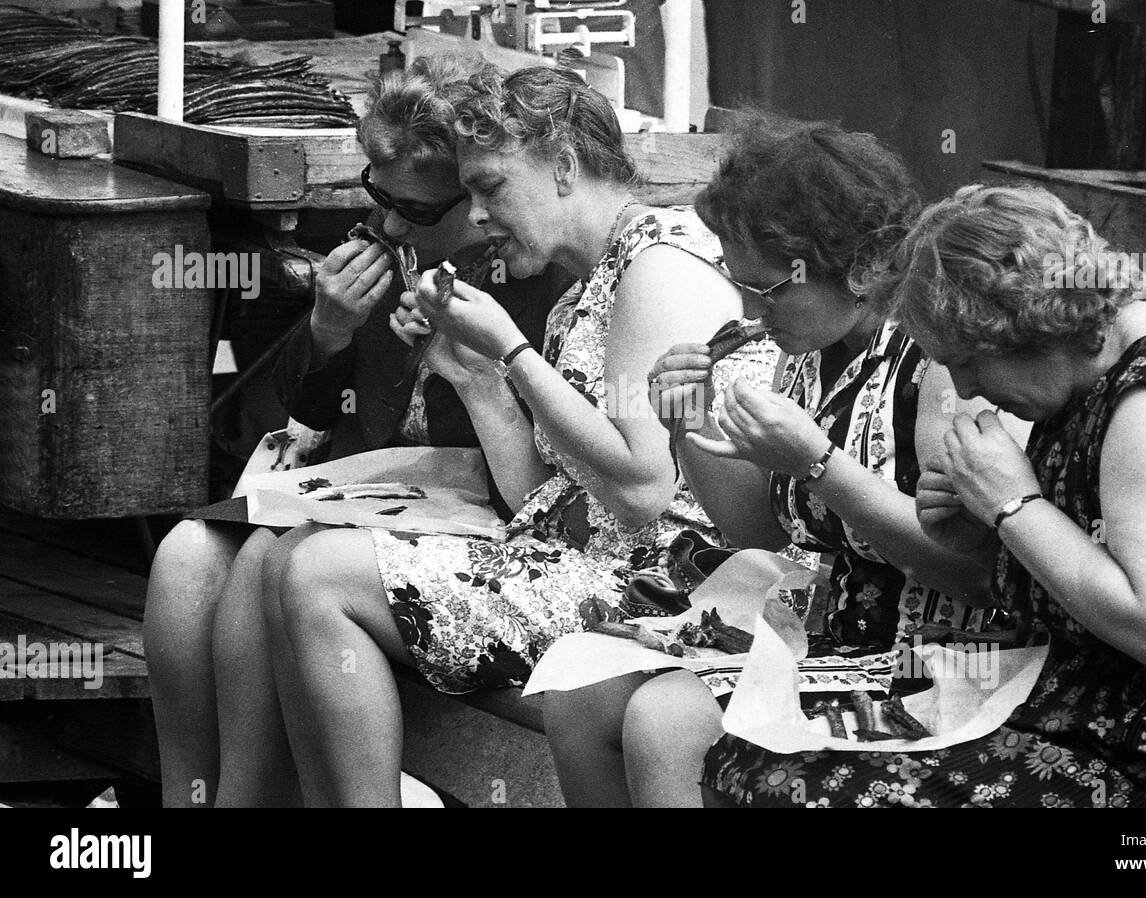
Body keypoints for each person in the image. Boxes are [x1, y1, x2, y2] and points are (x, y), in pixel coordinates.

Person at [259, 65, 774, 806]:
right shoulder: (592, 281)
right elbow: (550, 499)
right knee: (291, 562)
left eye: (492, 188)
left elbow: (640, 488)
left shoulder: (658, 268)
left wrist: (512, 352)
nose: (475, 217)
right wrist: (471, 376)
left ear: (563, 167)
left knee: (319, 574)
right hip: (587, 570)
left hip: (669, 592)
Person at [703, 184, 1146, 808]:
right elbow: (1083, 563)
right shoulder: (1085, 367)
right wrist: (981, 532)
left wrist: (1015, 507)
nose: (966, 387)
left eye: (969, 362)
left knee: (794, 789)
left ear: (1031, 329)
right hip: (1096, 715)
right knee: (748, 761)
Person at [542, 112, 1019, 807]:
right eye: (741, 286)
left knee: (666, 719)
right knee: (578, 692)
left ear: (860, 269)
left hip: (934, 661)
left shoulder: (934, 362)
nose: (752, 313)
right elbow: (766, 537)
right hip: (829, 636)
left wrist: (819, 463)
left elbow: (974, 574)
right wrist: (689, 423)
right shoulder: (808, 357)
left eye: (767, 289)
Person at [142, 54, 570, 807]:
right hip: (368, 494)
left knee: (262, 568)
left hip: (471, 514)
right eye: (379, 195)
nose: (390, 223)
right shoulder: (382, 248)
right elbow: (289, 424)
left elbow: (546, 466)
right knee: (184, 558)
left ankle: (246, 798)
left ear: (474, 196)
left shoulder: (526, 268)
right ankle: (190, 796)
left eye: (418, 210)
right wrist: (328, 331)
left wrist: (471, 369)